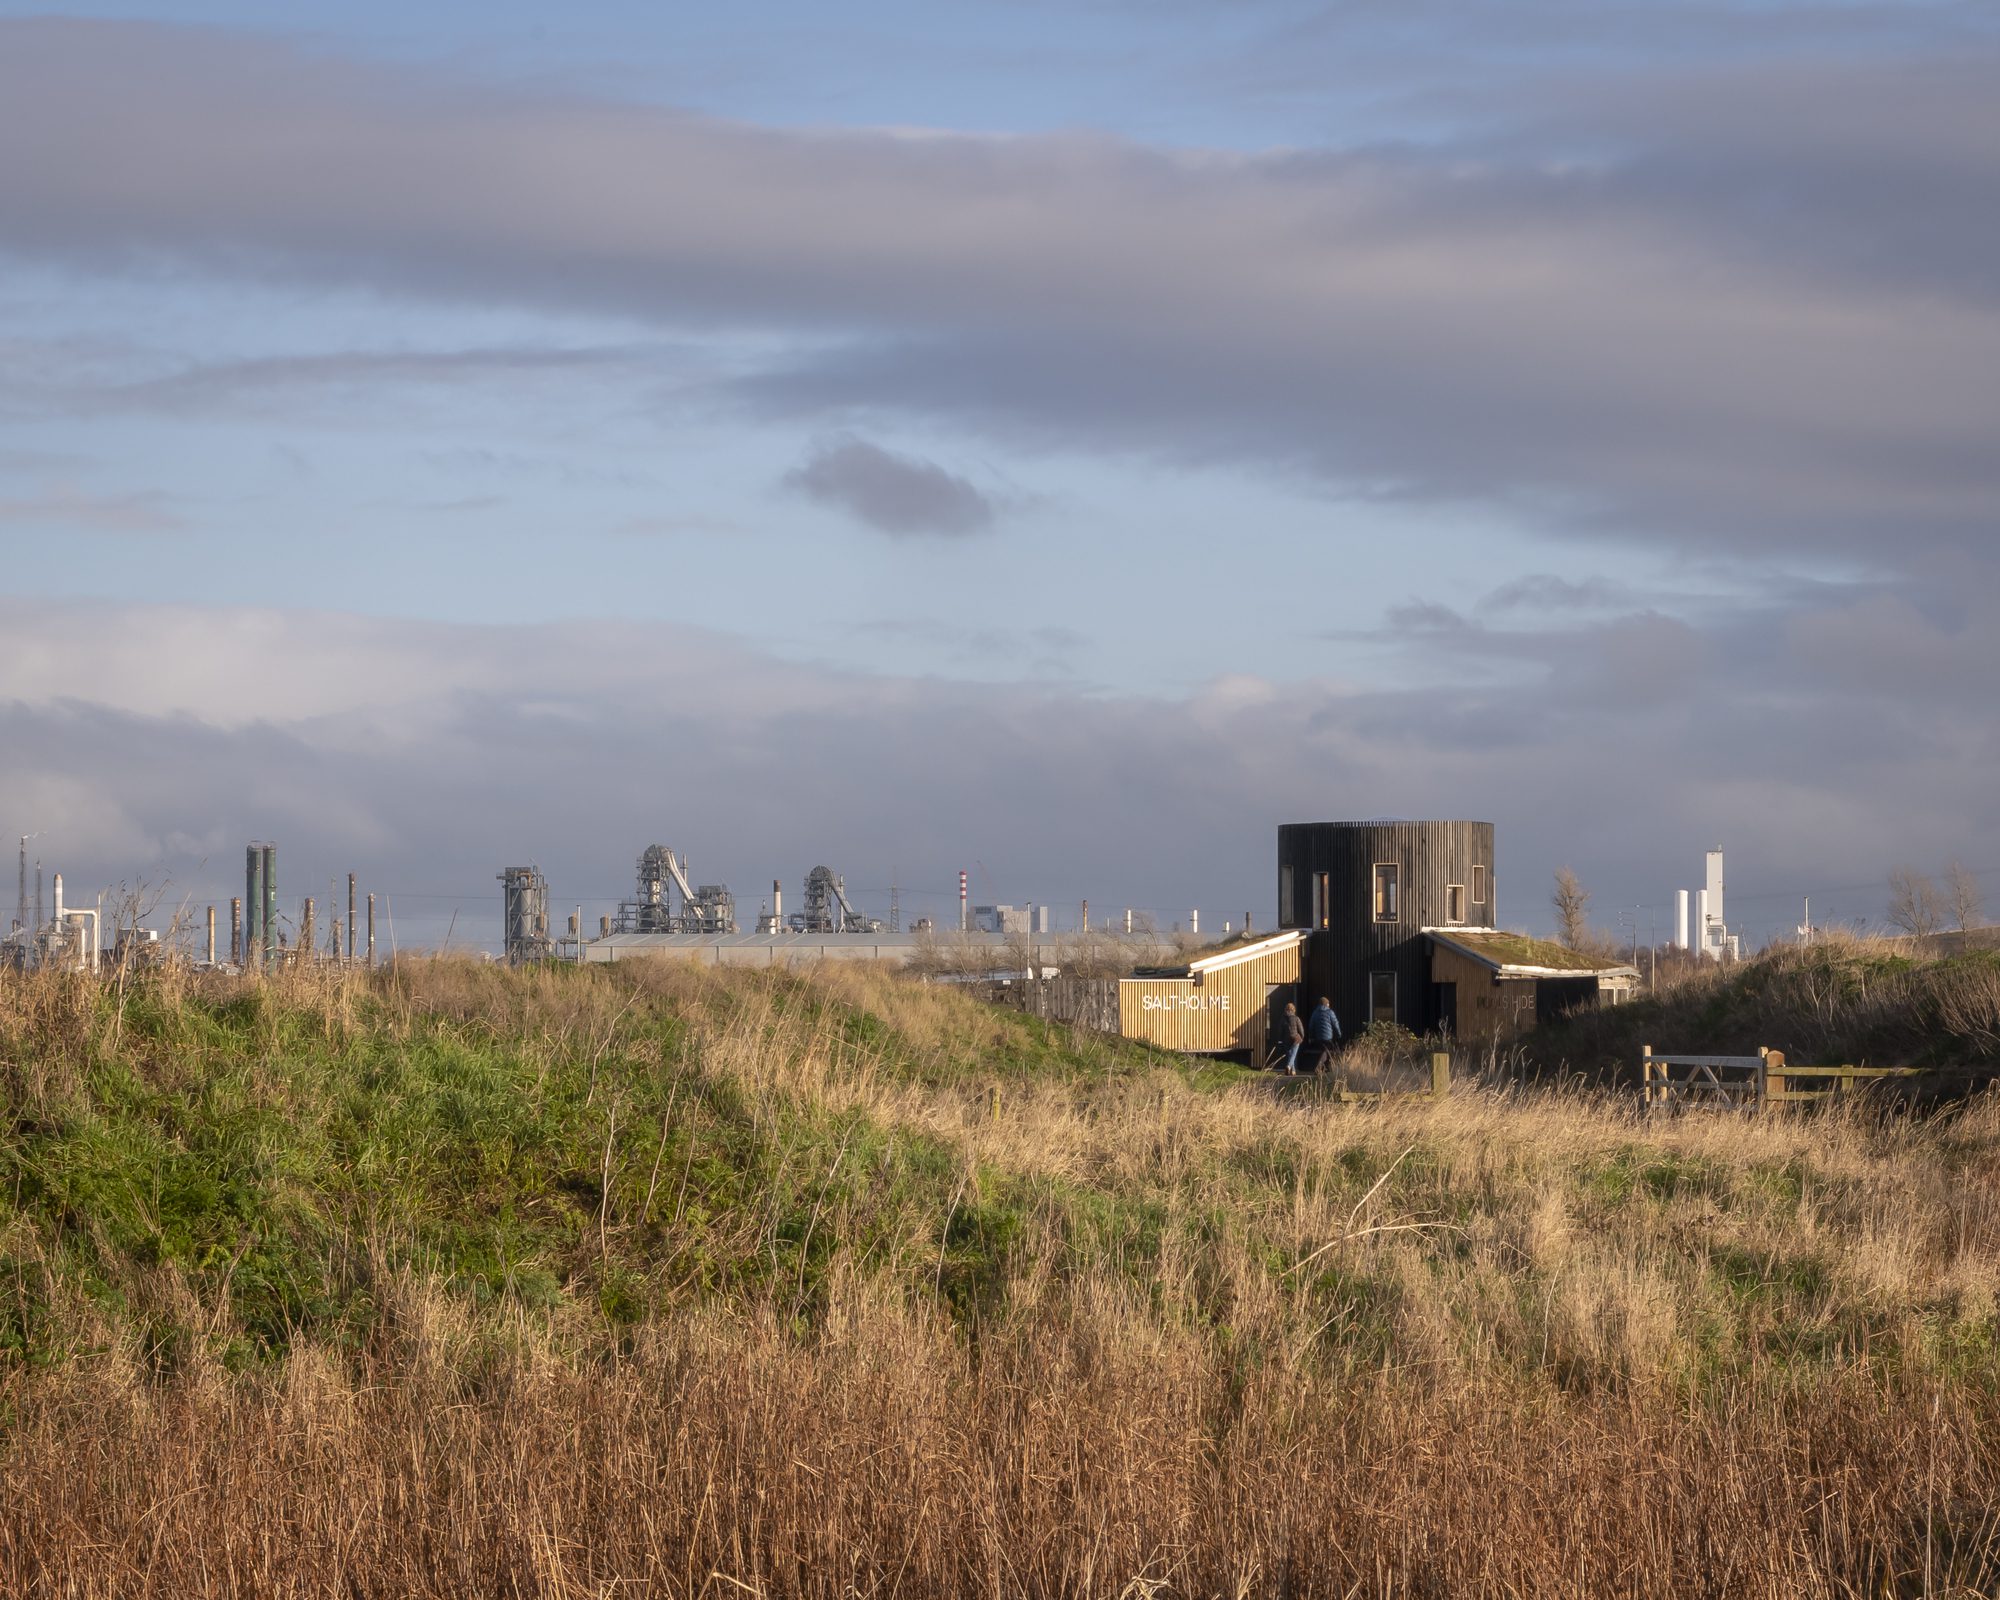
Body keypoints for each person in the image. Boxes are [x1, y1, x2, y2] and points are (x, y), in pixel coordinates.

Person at [1305, 996, 1341, 1071]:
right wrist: (1339, 1034)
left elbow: (1311, 1025)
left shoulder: (1315, 1012)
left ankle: (1326, 1069)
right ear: (1327, 1004)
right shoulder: (1330, 1012)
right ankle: (1319, 1067)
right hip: (1328, 1037)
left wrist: (1311, 1037)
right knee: (1327, 1051)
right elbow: (1335, 1024)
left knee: (1325, 1051)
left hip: (1318, 1037)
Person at [1276, 1002, 1304, 1074]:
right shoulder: (1296, 1018)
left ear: (1286, 1009)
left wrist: (1280, 1040)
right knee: (1293, 1054)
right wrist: (1302, 1036)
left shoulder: (1283, 1019)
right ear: (1293, 1010)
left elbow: (1280, 1031)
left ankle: (1293, 1071)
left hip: (1286, 1039)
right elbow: (1301, 1029)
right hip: (1296, 1039)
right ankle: (1288, 1066)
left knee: (1290, 1054)